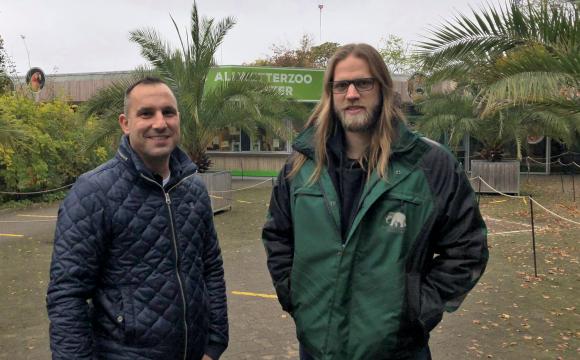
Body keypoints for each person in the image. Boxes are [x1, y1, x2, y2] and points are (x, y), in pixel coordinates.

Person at [262, 43, 488, 359]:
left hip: (398, 351)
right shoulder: (300, 166)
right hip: (317, 348)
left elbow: (468, 248)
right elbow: (278, 237)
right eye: (341, 85)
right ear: (330, 94)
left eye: (363, 83)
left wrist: (416, 311)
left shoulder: (430, 165)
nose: (351, 93)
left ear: (382, 89)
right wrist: (295, 295)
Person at [47, 77, 228, 360]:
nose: (160, 123)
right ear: (125, 123)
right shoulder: (93, 192)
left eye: (168, 112)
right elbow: (67, 294)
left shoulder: (193, 188)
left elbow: (211, 268)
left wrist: (214, 343)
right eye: (146, 113)